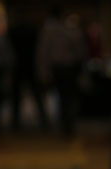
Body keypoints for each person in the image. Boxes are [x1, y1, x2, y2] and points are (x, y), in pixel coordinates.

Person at [36, 7, 85, 136]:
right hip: (67, 67)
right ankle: (67, 124)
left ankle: (66, 124)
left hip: (60, 68)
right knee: (68, 97)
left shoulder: (50, 31)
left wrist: (43, 70)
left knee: (62, 97)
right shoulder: (67, 30)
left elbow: (43, 52)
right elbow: (79, 49)